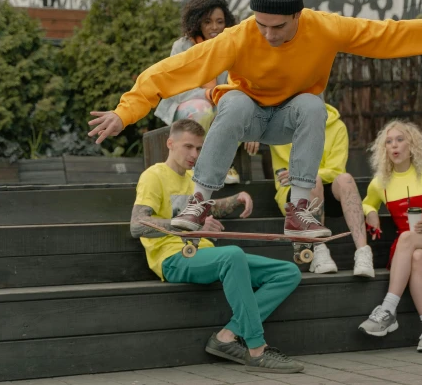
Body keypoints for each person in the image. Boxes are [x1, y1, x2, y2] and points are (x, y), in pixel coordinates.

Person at [89, 0, 422, 240]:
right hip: (248, 116)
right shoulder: (239, 36)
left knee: (312, 105)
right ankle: (199, 201)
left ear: (298, 16)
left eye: (278, 27)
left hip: (288, 121)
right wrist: (125, 111)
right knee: (231, 103)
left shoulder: (324, 27)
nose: (268, 35)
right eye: (261, 25)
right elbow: (174, 70)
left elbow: (390, 35)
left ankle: (299, 209)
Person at [130, 119, 305, 373]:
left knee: (288, 273)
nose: (194, 154)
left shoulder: (193, 178)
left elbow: (206, 209)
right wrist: (188, 225)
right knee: (233, 255)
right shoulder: (153, 176)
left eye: (199, 149)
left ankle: (226, 337)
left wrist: (235, 199)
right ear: (170, 143)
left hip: (206, 254)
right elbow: (137, 225)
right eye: (188, 147)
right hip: (173, 258)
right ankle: (257, 350)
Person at [357, 119, 422, 353]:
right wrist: (371, 211)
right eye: (389, 142)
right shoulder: (380, 182)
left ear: (412, 145)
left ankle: (388, 309)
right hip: (408, 248)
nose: (395, 146)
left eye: (400, 140)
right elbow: (363, 203)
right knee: (417, 257)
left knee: (411, 240)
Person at [270, 102, 379, 277]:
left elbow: (336, 170)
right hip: (293, 195)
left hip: (325, 191)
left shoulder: (337, 126)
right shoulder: (278, 124)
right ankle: (319, 249)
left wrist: (303, 173)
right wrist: (252, 137)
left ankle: (363, 252)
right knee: (313, 180)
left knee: (346, 179)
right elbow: (239, 121)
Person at [154, 0, 246, 184]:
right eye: (208, 21)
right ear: (197, 23)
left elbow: (241, 84)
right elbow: (175, 88)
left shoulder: (232, 45)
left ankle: (220, 164)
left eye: (220, 21)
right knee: (202, 109)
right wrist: (206, 94)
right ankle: (197, 166)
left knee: (237, 110)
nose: (214, 27)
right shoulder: (181, 47)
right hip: (186, 105)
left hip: (220, 102)